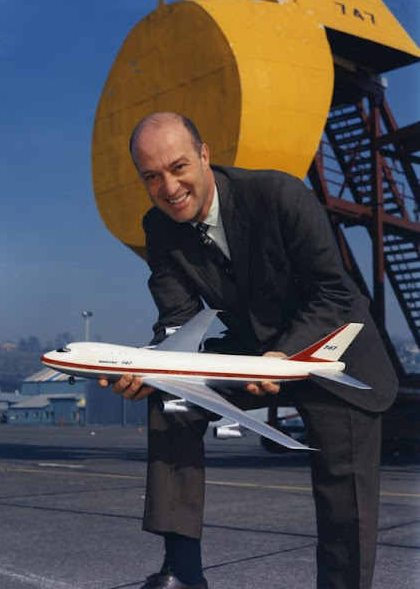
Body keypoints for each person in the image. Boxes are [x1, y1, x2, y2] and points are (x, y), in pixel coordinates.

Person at [98, 112, 398, 589]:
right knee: (171, 396)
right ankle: (184, 573)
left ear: (204, 156)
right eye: (151, 176)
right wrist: (149, 368)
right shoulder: (159, 228)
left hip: (333, 350)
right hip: (251, 353)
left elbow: (333, 294)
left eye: (178, 167)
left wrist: (287, 356)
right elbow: (176, 322)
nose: (169, 187)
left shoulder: (279, 195)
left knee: (345, 505)